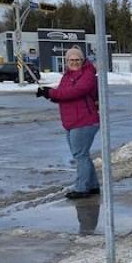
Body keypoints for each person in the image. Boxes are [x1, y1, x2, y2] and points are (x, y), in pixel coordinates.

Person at [36, 46, 100, 199]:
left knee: (80, 155)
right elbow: (62, 95)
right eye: (71, 60)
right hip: (72, 122)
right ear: (66, 61)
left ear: (83, 60)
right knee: (82, 155)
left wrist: (51, 92)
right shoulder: (67, 76)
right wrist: (47, 93)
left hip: (85, 121)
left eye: (77, 59)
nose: (74, 62)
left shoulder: (88, 75)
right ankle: (92, 185)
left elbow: (75, 92)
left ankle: (81, 188)